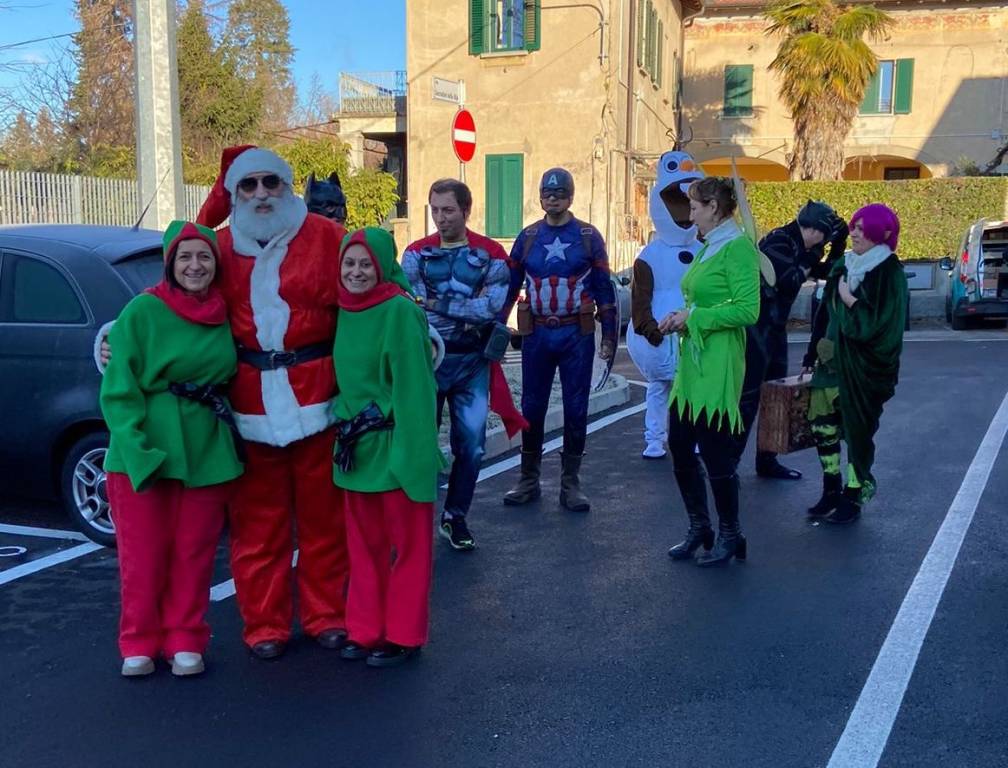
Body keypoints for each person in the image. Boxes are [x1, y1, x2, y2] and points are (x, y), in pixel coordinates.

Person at [100, 147, 349, 660]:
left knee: (325, 522)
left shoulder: (328, 239)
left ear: (288, 187)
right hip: (245, 410)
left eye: (271, 183)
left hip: (317, 399)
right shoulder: (214, 247)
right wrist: (113, 337)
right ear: (234, 194)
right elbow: (169, 299)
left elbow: (378, 291)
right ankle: (265, 626)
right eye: (249, 185)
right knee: (258, 526)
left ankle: (328, 615)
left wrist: (416, 339)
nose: (261, 194)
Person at [100, 221, 244, 677]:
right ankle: (138, 641)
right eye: (185, 257)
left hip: (205, 447)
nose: (195, 265)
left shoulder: (227, 313)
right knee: (142, 558)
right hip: (144, 447)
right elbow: (118, 390)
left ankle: (185, 637)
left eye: (203, 256)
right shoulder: (142, 312)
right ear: (170, 263)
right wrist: (137, 448)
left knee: (194, 553)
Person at [330, 227, 441, 668]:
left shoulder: (398, 311)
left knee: (409, 549)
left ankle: (403, 634)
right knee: (364, 549)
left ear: (382, 266)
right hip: (358, 451)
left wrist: (413, 459)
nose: (357, 272)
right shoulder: (342, 309)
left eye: (365, 264)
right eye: (349, 263)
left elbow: (416, 391)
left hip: (397, 445)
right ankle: (365, 628)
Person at [401, 179, 522, 551]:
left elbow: (489, 310)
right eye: (435, 209)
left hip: (472, 362)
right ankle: (412, 519)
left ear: (466, 210)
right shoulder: (415, 252)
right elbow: (409, 304)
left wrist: (434, 302)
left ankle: (455, 516)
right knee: (419, 443)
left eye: (448, 210)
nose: (440, 218)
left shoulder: (491, 254)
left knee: (471, 447)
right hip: (428, 360)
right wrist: (458, 307)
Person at [501, 168, 617, 512]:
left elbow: (604, 288)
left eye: (559, 193)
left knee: (576, 408)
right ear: (540, 197)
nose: (553, 198)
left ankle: (571, 483)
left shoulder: (588, 236)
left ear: (570, 195)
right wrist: (495, 327)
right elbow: (510, 285)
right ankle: (528, 478)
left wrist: (609, 336)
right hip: (536, 333)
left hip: (575, 335)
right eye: (547, 193)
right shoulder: (528, 236)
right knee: (532, 407)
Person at [661, 177, 759, 566]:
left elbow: (748, 310)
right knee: (680, 444)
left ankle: (731, 533)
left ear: (714, 208)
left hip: (719, 363)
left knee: (716, 453)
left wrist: (695, 317)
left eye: (695, 206)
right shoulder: (710, 247)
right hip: (694, 362)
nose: (690, 213)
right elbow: (699, 297)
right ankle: (699, 526)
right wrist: (681, 318)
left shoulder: (737, 249)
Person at [804, 204, 907, 524]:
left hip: (863, 369)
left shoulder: (889, 271)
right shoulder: (844, 265)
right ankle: (830, 488)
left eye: (863, 229)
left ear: (882, 234)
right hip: (829, 364)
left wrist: (850, 298)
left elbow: (875, 327)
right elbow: (824, 315)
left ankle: (853, 493)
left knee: (857, 431)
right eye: (854, 227)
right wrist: (812, 353)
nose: (855, 233)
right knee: (823, 425)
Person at [734, 200, 843, 480]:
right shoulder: (779, 241)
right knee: (748, 398)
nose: (823, 243)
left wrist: (837, 247)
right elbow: (791, 280)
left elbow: (829, 273)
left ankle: (767, 461)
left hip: (776, 329)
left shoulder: (806, 247)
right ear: (815, 230)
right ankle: (729, 464)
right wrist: (811, 258)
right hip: (757, 328)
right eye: (824, 236)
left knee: (776, 397)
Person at [627, 150, 705, 460]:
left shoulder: (703, 250)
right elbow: (640, 300)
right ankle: (654, 440)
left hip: (693, 334)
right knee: (658, 391)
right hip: (661, 337)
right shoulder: (649, 255)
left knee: (692, 391)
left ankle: (691, 438)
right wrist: (649, 330)